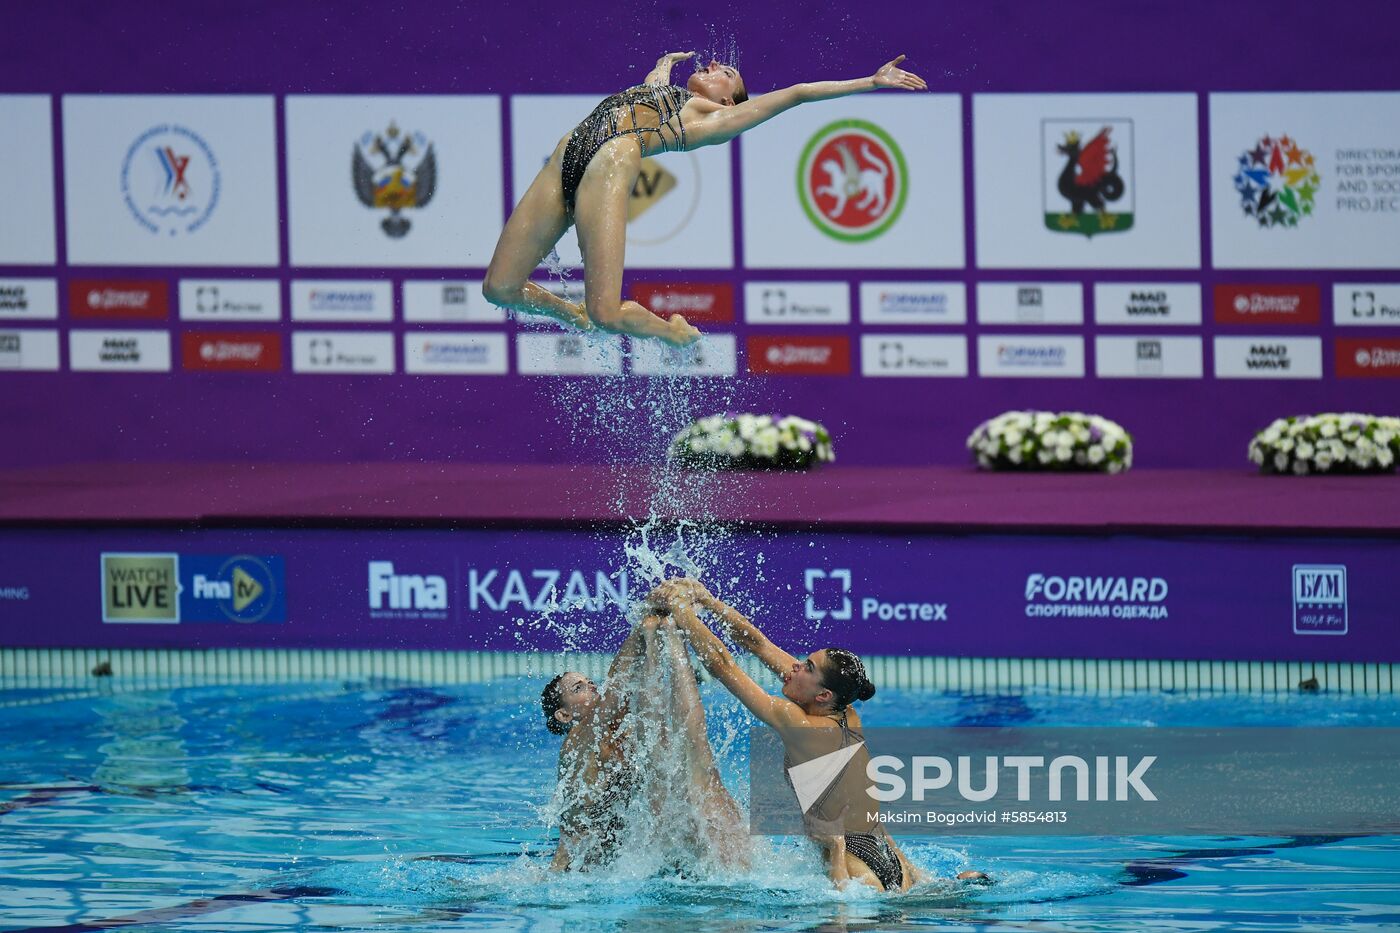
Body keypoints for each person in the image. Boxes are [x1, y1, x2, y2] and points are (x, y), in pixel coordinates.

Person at [483, 52, 928, 346]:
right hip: (567, 155)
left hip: (609, 161)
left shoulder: (713, 119)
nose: (716, 65)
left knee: (607, 312)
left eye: (726, 75)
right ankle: (570, 314)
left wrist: (869, 81)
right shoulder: (669, 94)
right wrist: (663, 65)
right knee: (499, 288)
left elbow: (797, 94)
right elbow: (653, 83)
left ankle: (673, 333)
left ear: (728, 101)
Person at [648, 578, 989, 892]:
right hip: (888, 853)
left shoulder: (798, 724)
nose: (795, 665)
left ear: (823, 695)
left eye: (807, 667)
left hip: (854, 860)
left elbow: (722, 665)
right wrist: (707, 601)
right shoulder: (846, 713)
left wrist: (681, 610)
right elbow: (759, 645)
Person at [541, 612, 749, 872]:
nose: (591, 687)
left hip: (608, 872)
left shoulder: (618, 731)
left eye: (590, 682)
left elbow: (647, 695)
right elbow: (618, 685)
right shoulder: (576, 743)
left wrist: (661, 644)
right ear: (564, 715)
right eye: (578, 688)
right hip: (573, 873)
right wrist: (643, 629)